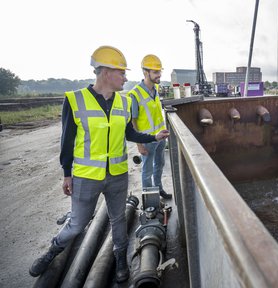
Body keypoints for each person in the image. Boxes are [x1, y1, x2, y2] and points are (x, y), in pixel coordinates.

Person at [28, 46, 169, 283]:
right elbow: (67, 142)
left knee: (118, 220)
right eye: (121, 73)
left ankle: (121, 259)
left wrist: (152, 137)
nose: (125, 77)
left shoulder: (123, 102)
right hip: (86, 176)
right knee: (77, 224)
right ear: (105, 73)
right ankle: (51, 252)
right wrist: (66, 174)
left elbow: (129, 133)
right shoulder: (75, 100)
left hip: (117, 174)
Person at [127, 54, 172, 200]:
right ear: (146, 73)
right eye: (156, 72)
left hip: (160, 137)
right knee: (147, 171)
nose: (159, 75)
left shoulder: (156, 90)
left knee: (159, 165)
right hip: (146, 140)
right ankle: (149, 198)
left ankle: (159, 190)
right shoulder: (135, 94)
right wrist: (139, 145)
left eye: (160, 71)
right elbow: (133, 122)